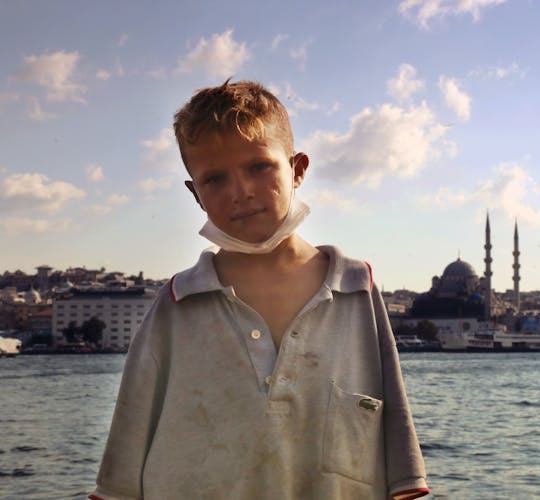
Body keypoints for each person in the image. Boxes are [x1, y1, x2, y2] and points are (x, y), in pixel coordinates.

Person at [89, 80, 430, 500]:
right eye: (214, 178)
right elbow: (122, 476)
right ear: (195, 194)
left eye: (258, 167)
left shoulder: (357, 291)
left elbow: (400, 467)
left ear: (298, 169)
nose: (240, 191)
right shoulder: (176, 305)